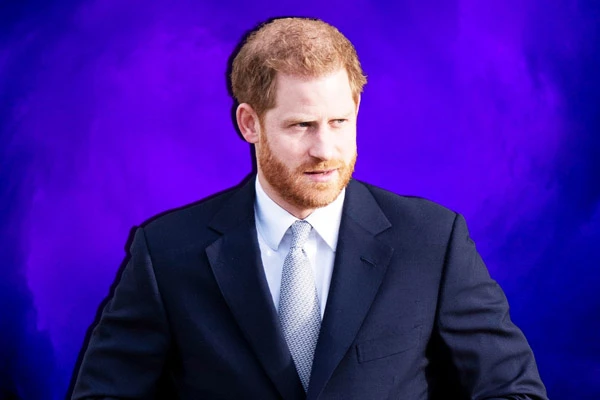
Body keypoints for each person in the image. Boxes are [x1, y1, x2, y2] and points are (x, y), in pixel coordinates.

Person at [71, 17, 548, 400]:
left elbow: (513, 391)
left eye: (339, 121)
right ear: (249, 123)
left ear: (357, 107)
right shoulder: (166, 251)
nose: (326, 148)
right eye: (301, 125)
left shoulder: (433, 240)